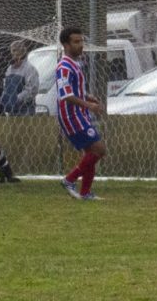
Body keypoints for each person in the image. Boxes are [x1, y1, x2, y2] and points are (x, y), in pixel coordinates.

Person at [55, 27, 107, 201]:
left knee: (91, 152)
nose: (81, 45)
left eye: (81, 41)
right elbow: (65, 94)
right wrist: (89, 105)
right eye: (76, 42)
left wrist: (88, 96)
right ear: (66, 45)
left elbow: (74, 90)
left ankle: (85, 193)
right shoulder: (64, 67)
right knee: (99, 149)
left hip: (79, 114)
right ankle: (69, 180)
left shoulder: (74, 64)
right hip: (71, 116)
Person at [0, 41, 39, 116]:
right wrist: (4, 97)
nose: (13, 53)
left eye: (15, 50)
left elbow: (33, 90)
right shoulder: (9, 69)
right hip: (11, 110)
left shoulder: (29, 69)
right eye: (12, 50)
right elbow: (6, 87)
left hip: (26, 110)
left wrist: (17, 98)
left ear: (23, 51)